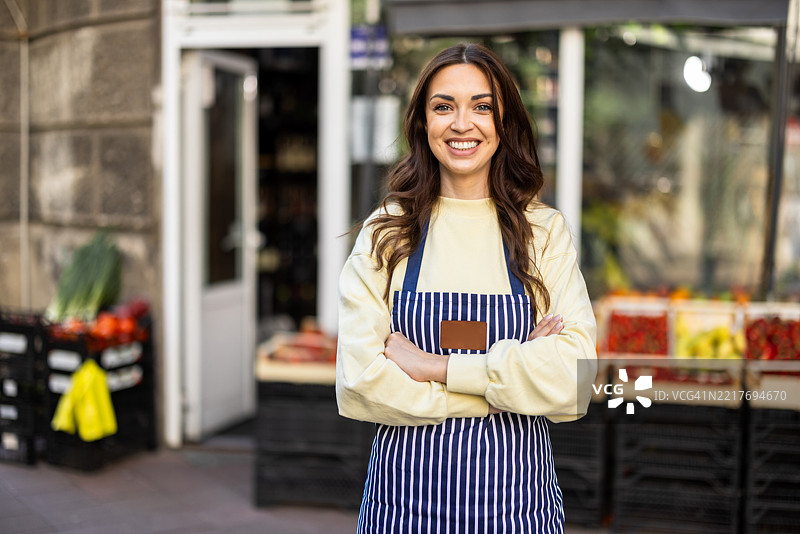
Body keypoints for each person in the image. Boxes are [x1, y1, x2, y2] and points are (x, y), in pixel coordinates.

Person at [336, 43, 597, 533]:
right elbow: (357, 383)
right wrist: (505, 385)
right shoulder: (387, 232)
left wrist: (435, 367)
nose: (462, 124)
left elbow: (575, 382)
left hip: (518, 511)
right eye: (443, 107)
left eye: (482, 106)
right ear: (422, 124)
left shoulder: (543, 232)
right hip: (403, 511)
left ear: (504, 122)